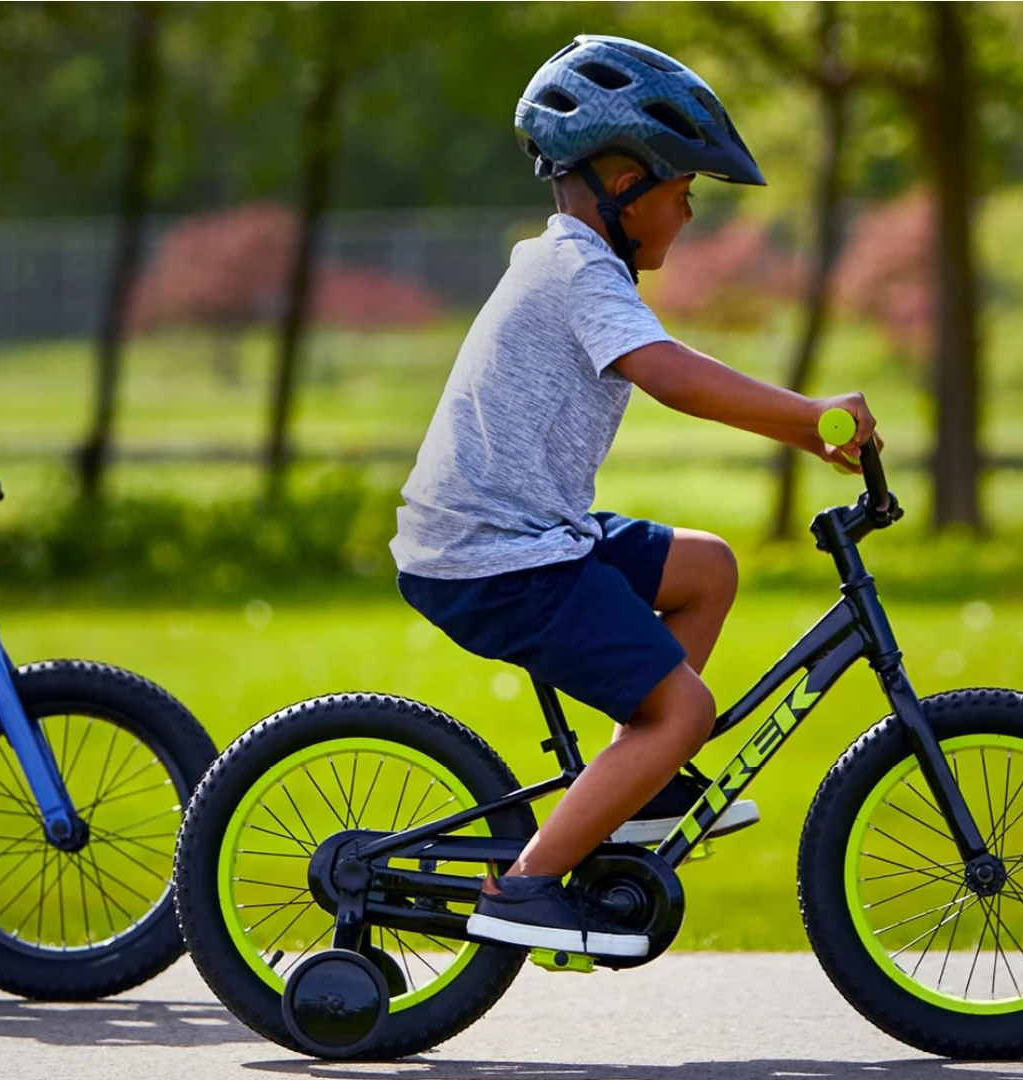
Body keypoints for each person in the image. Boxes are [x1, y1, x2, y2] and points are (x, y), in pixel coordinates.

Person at [391, 36, 875, 958]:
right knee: (685, 712)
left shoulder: (577, 263)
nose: (689, 214)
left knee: (705, 570)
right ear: (621, 179)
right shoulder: (575, 268)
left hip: (533, 535)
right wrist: (812, 421)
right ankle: (528, 884)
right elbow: (668, 376)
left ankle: (636, 786)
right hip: (494, 555)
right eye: (682, 190)